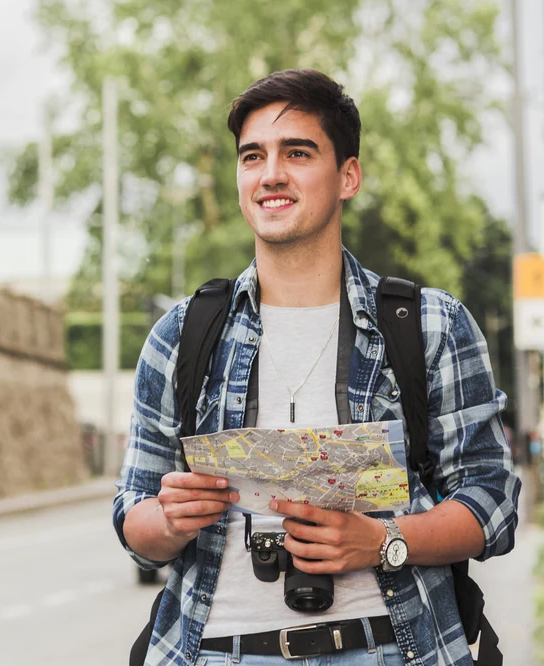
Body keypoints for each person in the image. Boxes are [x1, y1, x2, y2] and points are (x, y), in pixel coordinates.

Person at [114, 68, 521, 666]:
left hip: (390, 649)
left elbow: (493, 502)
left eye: (297, 152)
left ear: (347, 176)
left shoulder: (429, 324)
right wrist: (169, 519)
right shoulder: (182, 334)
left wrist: (382, 541)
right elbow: (135, 521)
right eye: (252, 156)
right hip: (213, 651)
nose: (271, 173)